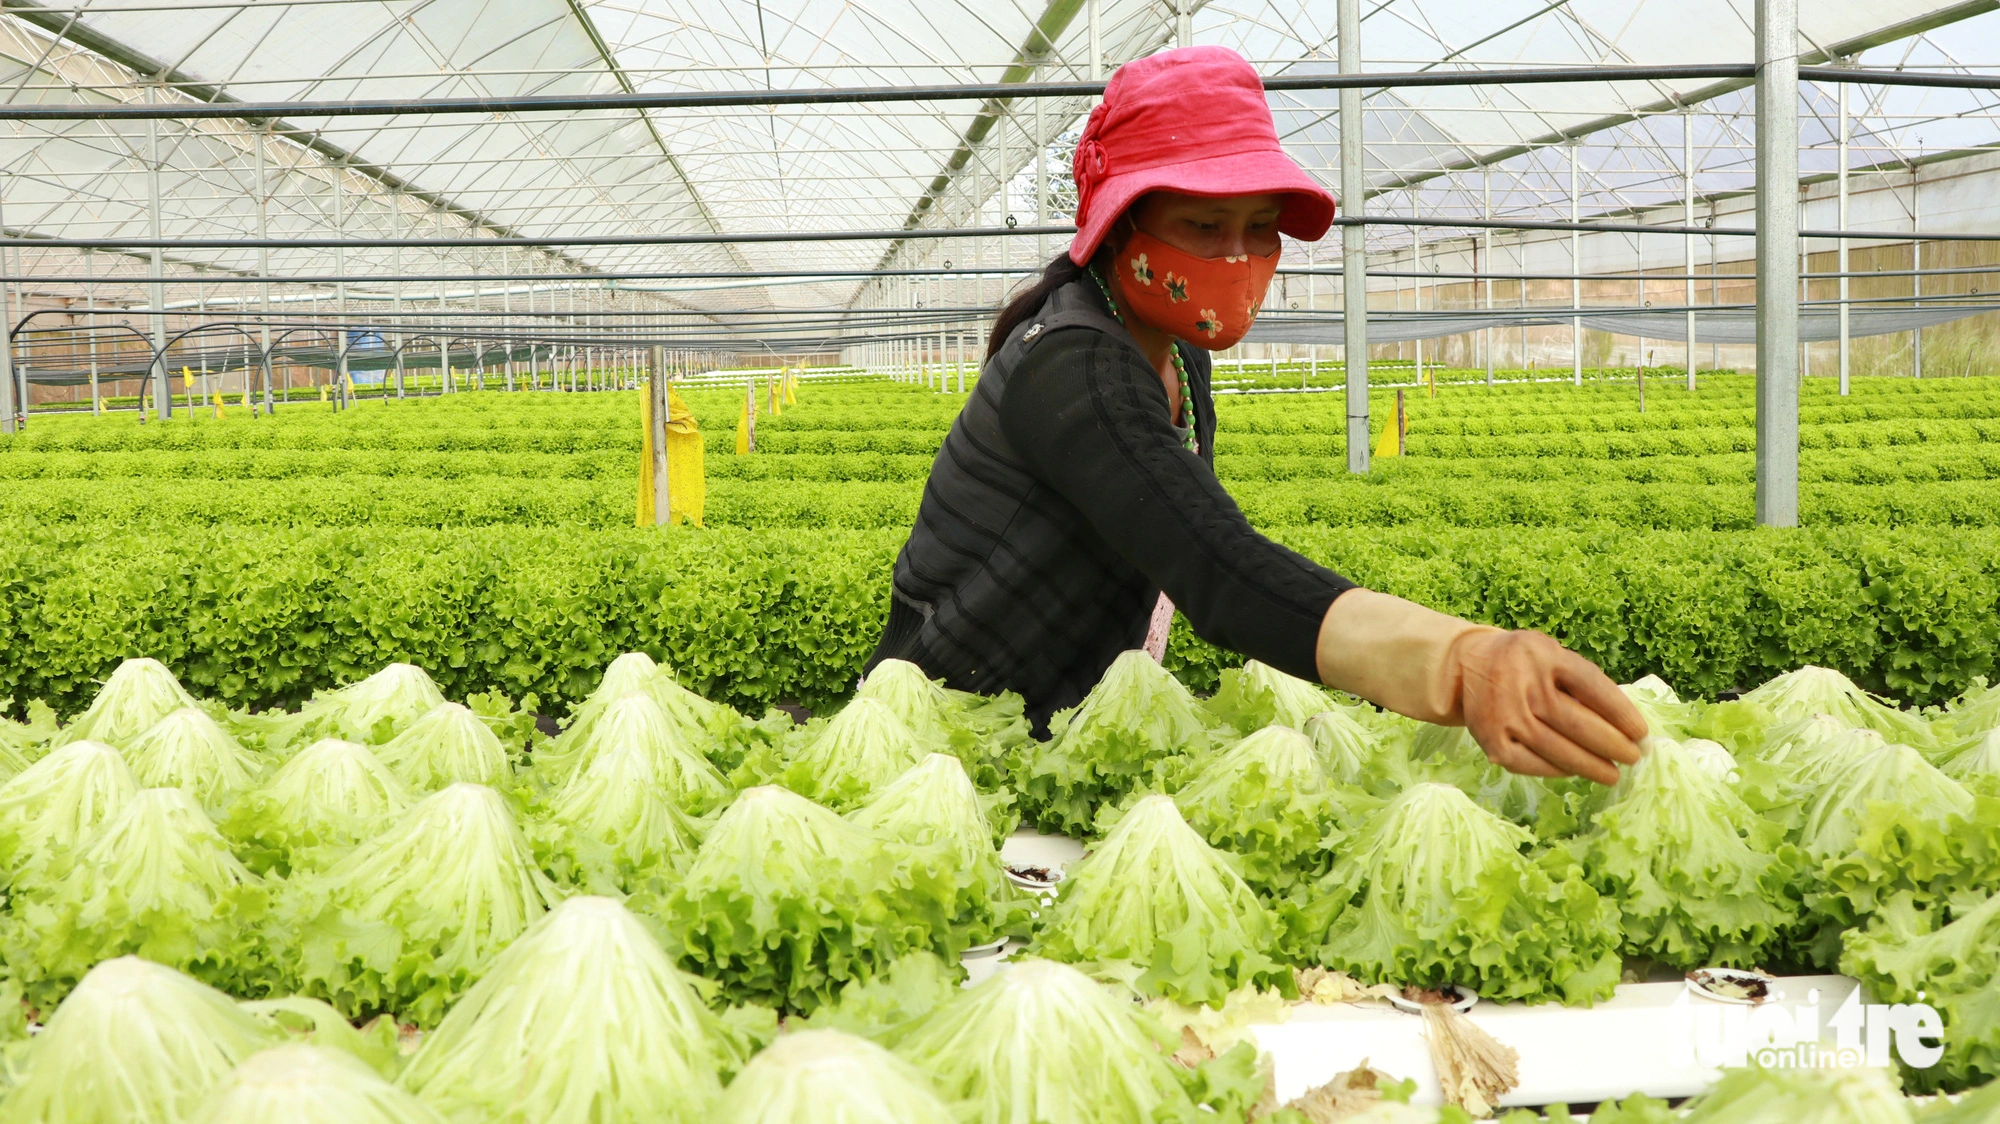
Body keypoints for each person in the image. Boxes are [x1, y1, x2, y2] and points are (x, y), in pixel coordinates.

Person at [866, 46, 1645, 784]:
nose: (1238, 255)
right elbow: (1213, 560)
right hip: (958, 731)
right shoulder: (1074, 367)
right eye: (1204, 226)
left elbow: (1175, 537)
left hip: (1064, 718)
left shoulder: (1178, 354)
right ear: (1118, 228)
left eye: (1260, 227)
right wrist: (1458, 660)